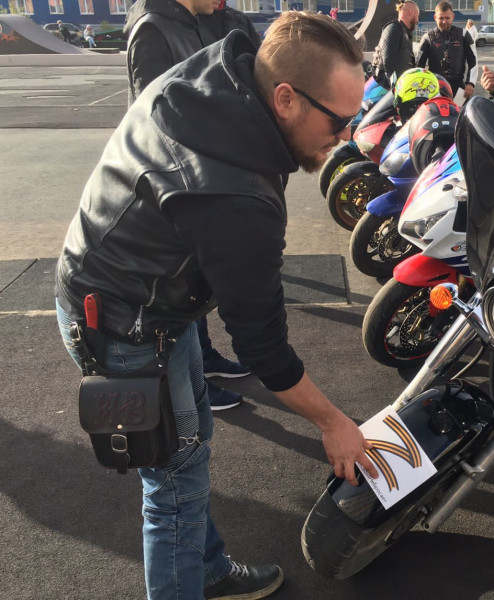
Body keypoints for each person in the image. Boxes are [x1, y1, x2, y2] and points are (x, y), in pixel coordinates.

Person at [56, 12, 379, 600]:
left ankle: (204, 571)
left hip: (142, 295)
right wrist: (334, 423)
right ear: (285, 98)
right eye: (339, 120)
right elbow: (263, 348)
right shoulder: (235, 196)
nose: (347, 136)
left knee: (190, 443)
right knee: (174, 487)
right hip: (121, 322)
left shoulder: (225, 73)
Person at [123, 0, 252, 411]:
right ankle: (192, 385)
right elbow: (154, 117)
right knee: (177, 289)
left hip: (198, 175)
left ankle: (204, 359)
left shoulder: (191, 21)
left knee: (195, 283)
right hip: (173, 185)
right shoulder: (153, 29)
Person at [416, 1, 477, 100]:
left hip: (459, 87)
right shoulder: (427, 38)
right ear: (435, 17)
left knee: (461, 110)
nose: (444, 22)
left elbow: (473, 60)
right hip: (435, 88)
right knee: (436, 110)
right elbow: (419, 65)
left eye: (447, 18)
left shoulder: (464, 35)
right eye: (441, 18)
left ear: (453, 16)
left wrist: (470, 83)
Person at [370, 0, 419, 90]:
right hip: (385, 90)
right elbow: (388, 63)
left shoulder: (404, 32)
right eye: (417, 16)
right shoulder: (394, 28)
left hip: (396, 88)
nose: (417, 21)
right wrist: (394, 89)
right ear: (411, 12)